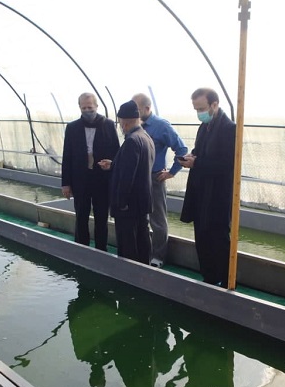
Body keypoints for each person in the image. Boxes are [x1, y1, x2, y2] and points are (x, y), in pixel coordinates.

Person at [177, 88, 236, 287]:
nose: (199, 113)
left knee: (218, 238)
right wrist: (191, 157)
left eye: (201, 108)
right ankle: (209, 278)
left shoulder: (229, 129)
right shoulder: (204, 127)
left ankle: (226, 282)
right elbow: (200, 151)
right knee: (201, 237)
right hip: (201, 192)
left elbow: (226, 164)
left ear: (214, 104)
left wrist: (197, 163)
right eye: (196, 109)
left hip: (218, 195)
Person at [132, 93, 188, 268]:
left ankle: (158, 257)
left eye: (137, 109)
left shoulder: (161, 126)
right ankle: (142, 252)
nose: (134, 113)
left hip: (154, 177)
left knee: (157, 220)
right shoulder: (134, 125)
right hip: (137, 178)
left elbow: (182, 149)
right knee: (139, 217)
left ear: (147, 108)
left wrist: (172, 172)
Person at [61, 92, 120, 251]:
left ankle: (101, 249)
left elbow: (116, 152)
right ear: (79, 107)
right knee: (81, 216)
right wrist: (66, 183)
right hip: (80, 179)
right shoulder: (72, 127)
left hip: (102, 179)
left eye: (90, 107)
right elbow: (67, 156)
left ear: (96, 106)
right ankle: (81, 249)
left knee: (101, 217)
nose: (87, 111)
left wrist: (112, 167)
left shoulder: (108, 125)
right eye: (84, 108)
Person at [99, 100, 155, 264]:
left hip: (128, 206)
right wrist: (114, 164)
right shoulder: (145, 137)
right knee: (142, 240)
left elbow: (127, 177)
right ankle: (144, 271)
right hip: (142, 202)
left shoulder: (131, 141)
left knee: (128, 246)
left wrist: (121, 203)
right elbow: (137, 167)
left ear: (124, 122)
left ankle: (129, 274)